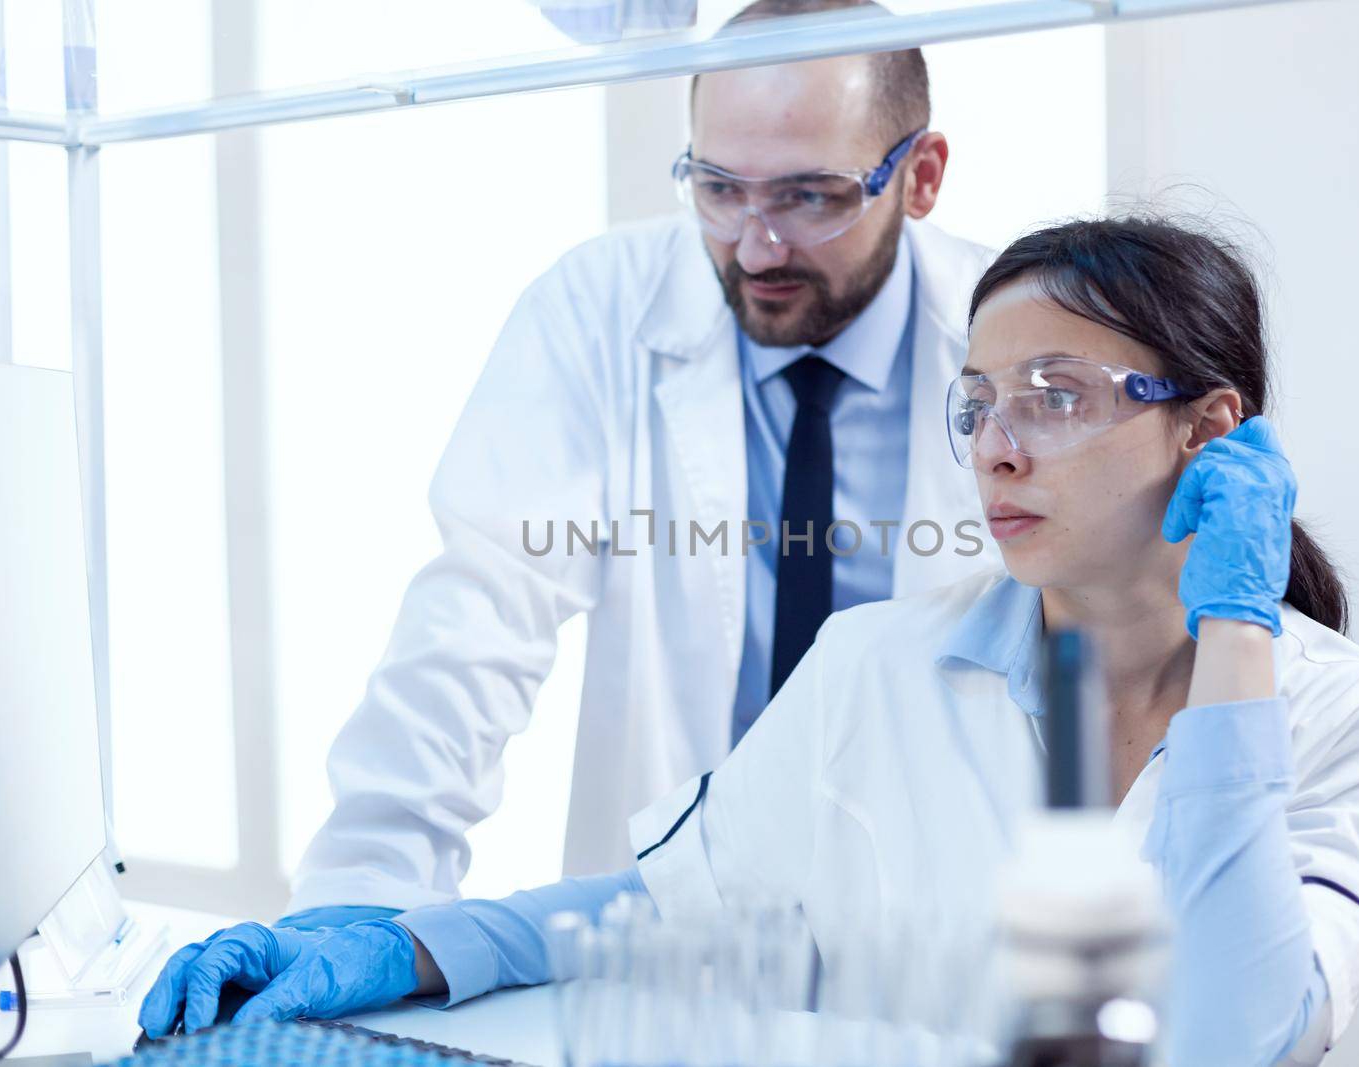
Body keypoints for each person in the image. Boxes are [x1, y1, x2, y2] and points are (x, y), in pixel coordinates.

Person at [140, 216, 1359, 1066]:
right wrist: (403, 942)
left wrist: (1236, 636)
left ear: (1211, 431)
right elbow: (660, 908)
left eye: (1056, 396)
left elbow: (1243, 1033)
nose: (998, 446)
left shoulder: (1337, 712)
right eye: (976, 403)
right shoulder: (875, 664)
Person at [281, 0, 997, 928]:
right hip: (677, 934)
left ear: (922, 174)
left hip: (938, 934)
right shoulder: (601, 310)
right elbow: (471, 626)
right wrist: (360, 896)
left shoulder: (1016, 350)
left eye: (808, 195)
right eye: (719, 187)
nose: (754, 244)